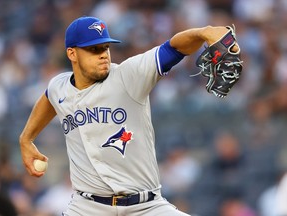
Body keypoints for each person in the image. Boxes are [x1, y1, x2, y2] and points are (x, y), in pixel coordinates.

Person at [19, 16, 240, 216]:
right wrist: (27, 138)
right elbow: (48, 98)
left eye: (105, 47)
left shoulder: (128, 75)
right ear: (72, 53)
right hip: (87, 208)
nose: (103, 55)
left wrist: (205, 32)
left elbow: (173, 48)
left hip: (145, 207)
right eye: (94, 49)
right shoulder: (60, 86)